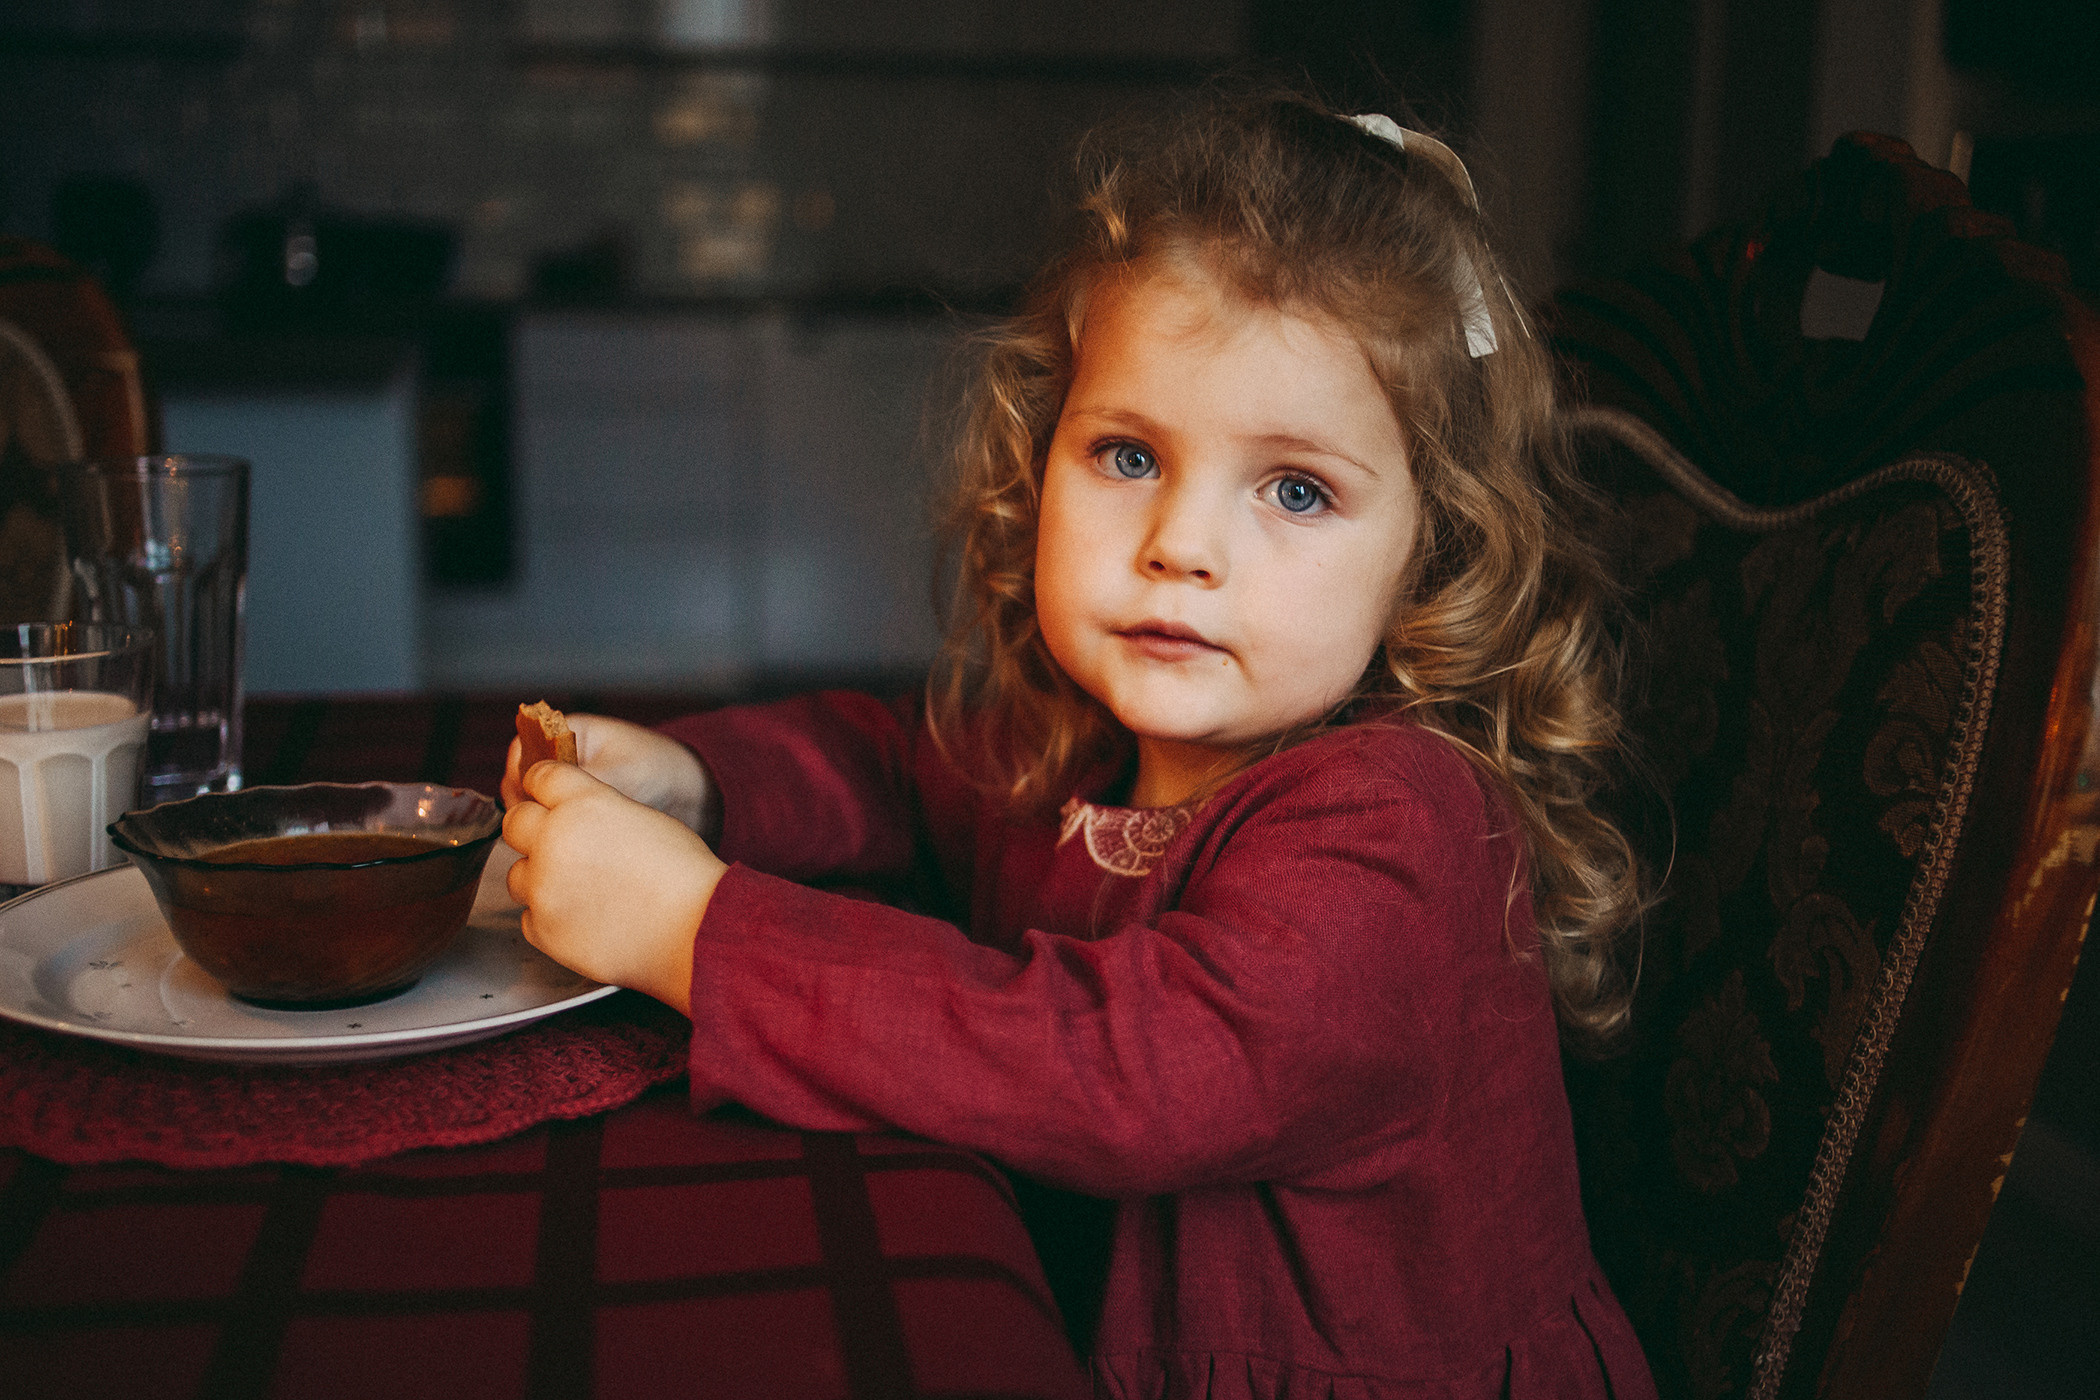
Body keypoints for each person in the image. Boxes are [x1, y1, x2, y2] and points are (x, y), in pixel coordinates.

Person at [500, 86, 1657, 1399]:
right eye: (1126, 455)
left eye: (1295, 489)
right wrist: (700, 782)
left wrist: (698, 936)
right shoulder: (1087, 749)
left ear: (1426, 558)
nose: (1182, 545)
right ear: (1038, 454)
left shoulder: (1400, 825)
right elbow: (896, 770)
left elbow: (1128, 1072)